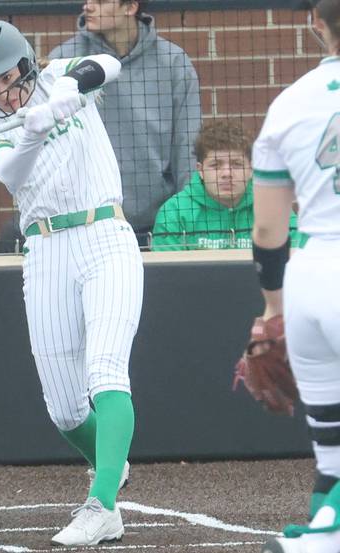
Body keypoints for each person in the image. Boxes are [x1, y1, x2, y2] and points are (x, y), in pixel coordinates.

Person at [0, 20, 142, 546]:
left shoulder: (59, 74)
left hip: (105, 234)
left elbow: (109, 64)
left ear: (27, 64)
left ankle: (102, 502)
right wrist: (34, 128)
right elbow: (15, 177)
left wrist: (67, 91)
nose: (3, 93)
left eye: (9, 79)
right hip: (44, 249)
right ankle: (110, 462)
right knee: (63, 408)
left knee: (106, 369)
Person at [254, 1, 340, 552]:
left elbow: (267, 229)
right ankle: (321, 540)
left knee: (331, 448)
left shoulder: (289, 103)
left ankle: (318, 535)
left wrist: (273, 309)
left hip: (310, 274)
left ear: (317, 23)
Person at [48, 0, 202, 248]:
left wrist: (184, 214)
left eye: (100, 1)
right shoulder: (65, 60)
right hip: (87, 224)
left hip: (159, 224)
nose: (88, 7)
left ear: (130, 7)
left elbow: (187, 145)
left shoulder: (174, 63)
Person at [151, 120, 301, 251]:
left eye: (236, 164)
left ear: (251, 169)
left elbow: (296, 263)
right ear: (200, 170)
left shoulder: (274, 208)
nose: (226, 173)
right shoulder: (174, 212)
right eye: (216, 165)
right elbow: (168, 277)